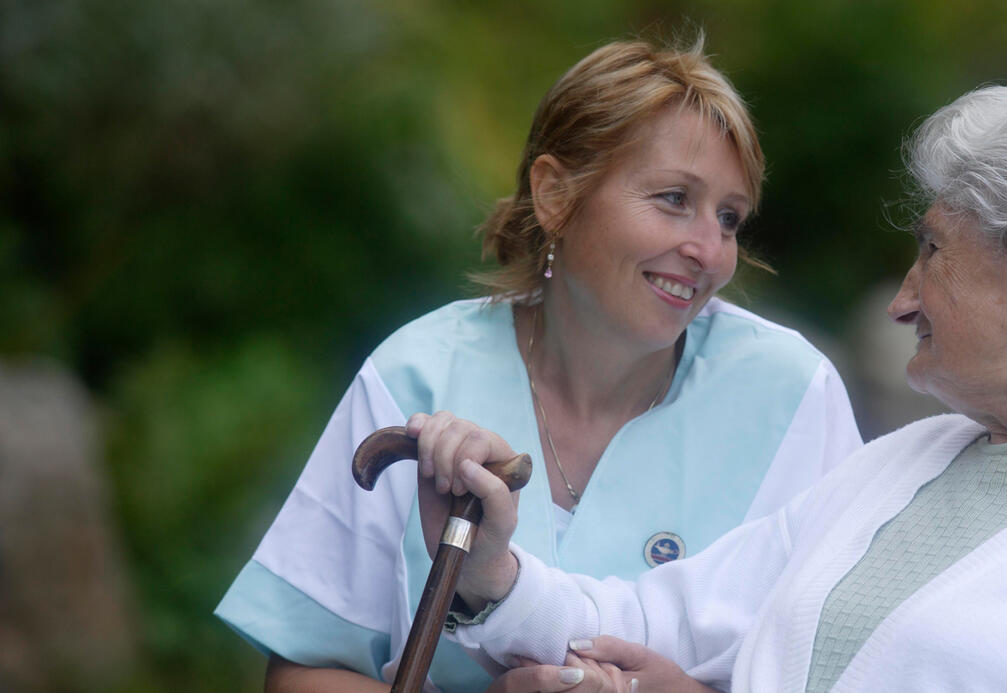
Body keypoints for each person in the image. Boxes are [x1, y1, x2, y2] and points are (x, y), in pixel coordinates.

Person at [427, 82, 1007, 692]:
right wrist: (488, 569)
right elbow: (645, 614)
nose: (903, 295)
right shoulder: (904, 464)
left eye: (932, 250)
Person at [214, 39, 863, 693]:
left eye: (729, 218)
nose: (709, 250)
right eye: (672, 198)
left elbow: (856, 666)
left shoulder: (791, 395)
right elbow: (306, 668)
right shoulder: (415, 376)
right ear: (554, 194)